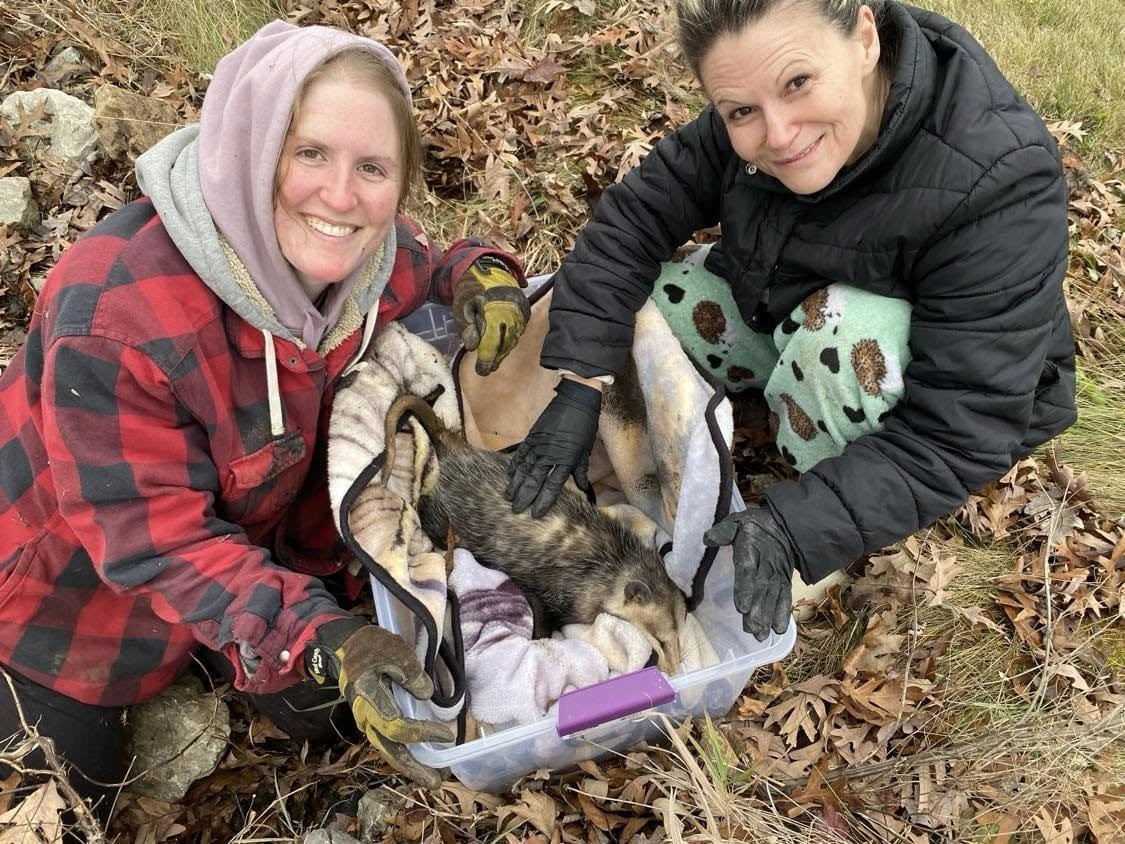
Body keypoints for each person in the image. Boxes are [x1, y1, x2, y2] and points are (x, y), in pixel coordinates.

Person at [0, 21, 529, 822]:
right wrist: (321, 637)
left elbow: (431, 261)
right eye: (309, 153)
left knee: (344, 729)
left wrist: (480, 276)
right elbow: (158, 544)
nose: (342, 197)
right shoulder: (113, 313)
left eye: (372, 168)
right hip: (67, 607)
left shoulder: (367, 261)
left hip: (256, 561)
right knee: (66, 806)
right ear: (250, 147)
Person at [505, 0, 1075, 641]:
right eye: (741, 111)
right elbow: (631, 223)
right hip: (786, 307)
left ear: (864, 38)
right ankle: (719, 427)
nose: (777, 135)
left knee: (842, 335)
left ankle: (822, 520)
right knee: (654, 302)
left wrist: (795, 526)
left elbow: (960, 427)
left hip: (904, 372)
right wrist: (581, 384)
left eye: (798, 84)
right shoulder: (751, 102)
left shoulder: (998, 177)